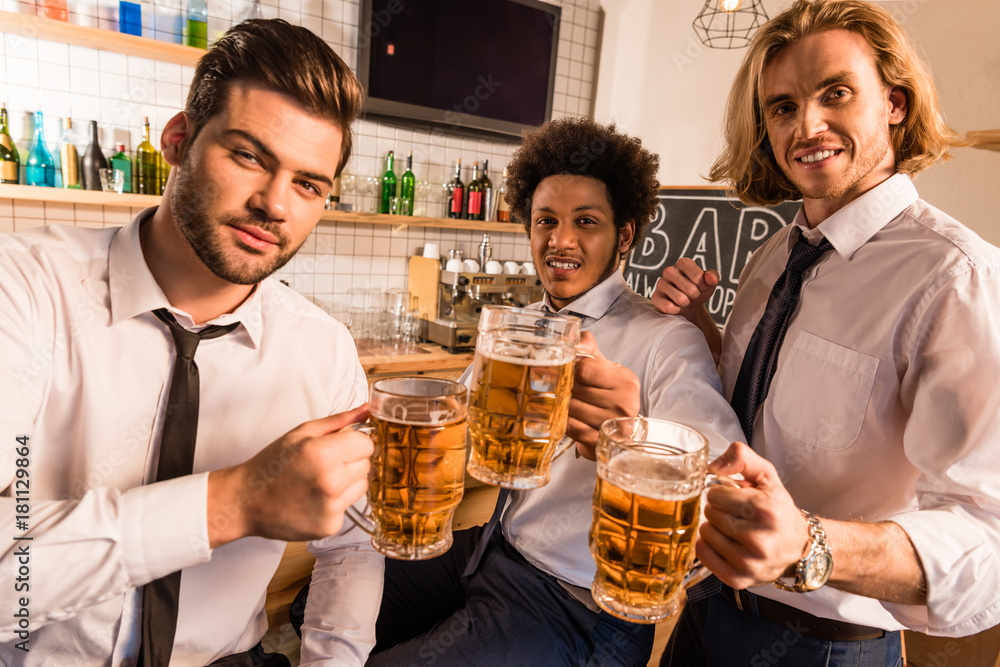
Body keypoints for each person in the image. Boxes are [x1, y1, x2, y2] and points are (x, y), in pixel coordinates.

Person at [0, 19, 384, 666]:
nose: (274, 204)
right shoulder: (27, 290)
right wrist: (231, 502)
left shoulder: (324, 350)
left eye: (308, 184)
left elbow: (352, 544)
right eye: (249, 156)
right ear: (178, 140)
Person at [293, 117, 744, 665]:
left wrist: (631, 437)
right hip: (494, 548)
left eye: (586, 221)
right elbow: (453, 418)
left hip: (575, 606)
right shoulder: (517, 327)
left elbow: (723, 477)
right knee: (314, 606)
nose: (561, 240)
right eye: (546, 220)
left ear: (624, 235)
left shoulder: (667, 338)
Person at [652, 1, 1000, 664]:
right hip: (702, 609)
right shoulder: (775, 254)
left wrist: (808, 543)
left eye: (835, 93)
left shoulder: (960, 278)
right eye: (782, 107)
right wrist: (701, 329)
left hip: (824, 647)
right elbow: (757, 409)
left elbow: (987, 538)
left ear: (894, 103)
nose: (806, 125)